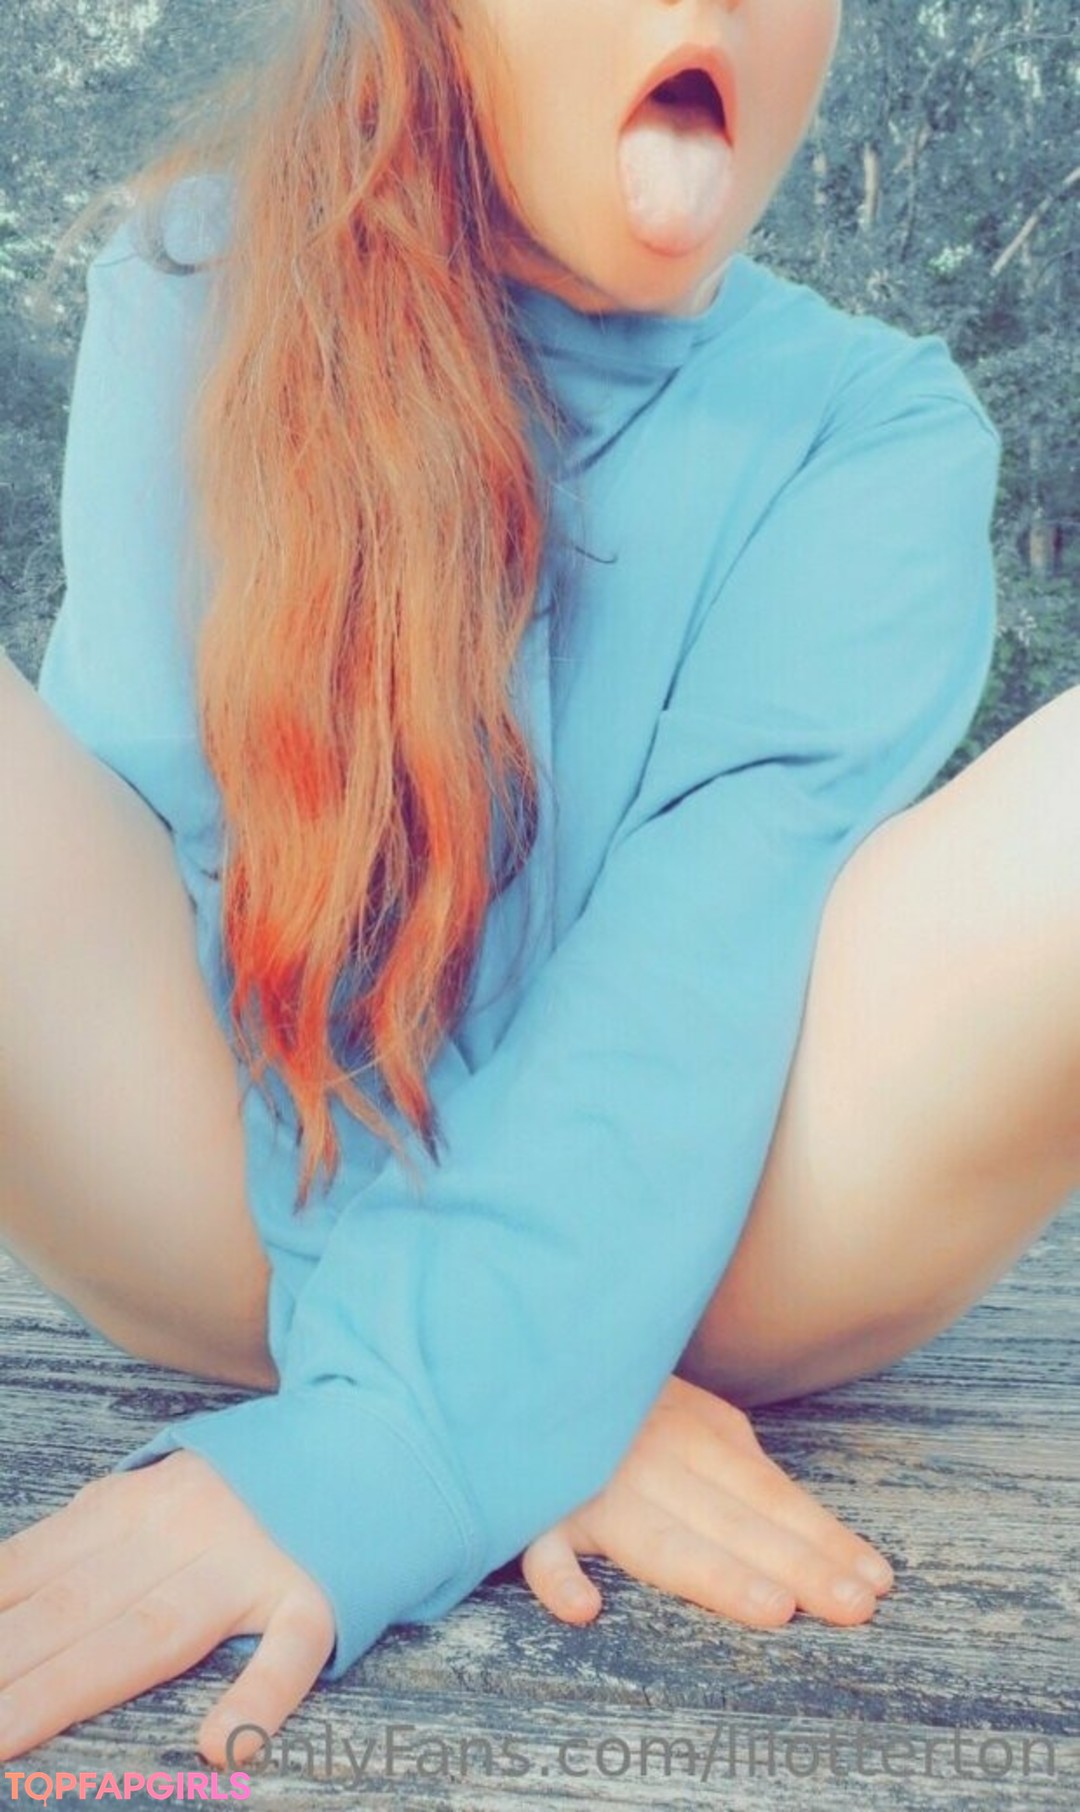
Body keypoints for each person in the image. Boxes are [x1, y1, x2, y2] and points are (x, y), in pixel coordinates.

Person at [2, 0, 1076, 1769]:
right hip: (237, 1165)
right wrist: (493, 1399)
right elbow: (209, 884)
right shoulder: (191, 276)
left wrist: (435, 1418)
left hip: (719, 1214)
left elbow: (693, 969)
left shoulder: (883, 429)